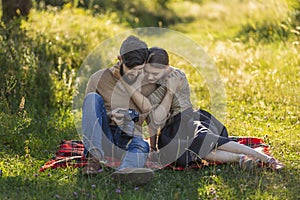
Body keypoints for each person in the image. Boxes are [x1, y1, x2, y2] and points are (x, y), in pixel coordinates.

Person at [120, 47, 284, 171]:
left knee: (203, 139)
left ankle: (267, 159)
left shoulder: (177, 76)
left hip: (187, 120)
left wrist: (169, 90)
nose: (150, 76)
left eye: (155, 72)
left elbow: (179, 111)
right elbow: (154, 120)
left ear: (166, 68)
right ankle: (239, 158)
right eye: (148, 71)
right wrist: (154, 147)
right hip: (169, 131)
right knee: (187, 154)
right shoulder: (148, 85)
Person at [81, 36, 156, 186]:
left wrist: (154, 148)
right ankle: (93, 159)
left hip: (129, 139)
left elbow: (152, 119)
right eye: (130, 70)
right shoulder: (98, 78)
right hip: (105, 137)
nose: (134, 74)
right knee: (91, 98)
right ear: (120, 59)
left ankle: (125, 171)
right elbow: (90, 113)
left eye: (139, 70)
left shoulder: (149, 82)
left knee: (142, 145)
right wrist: (110, 117)